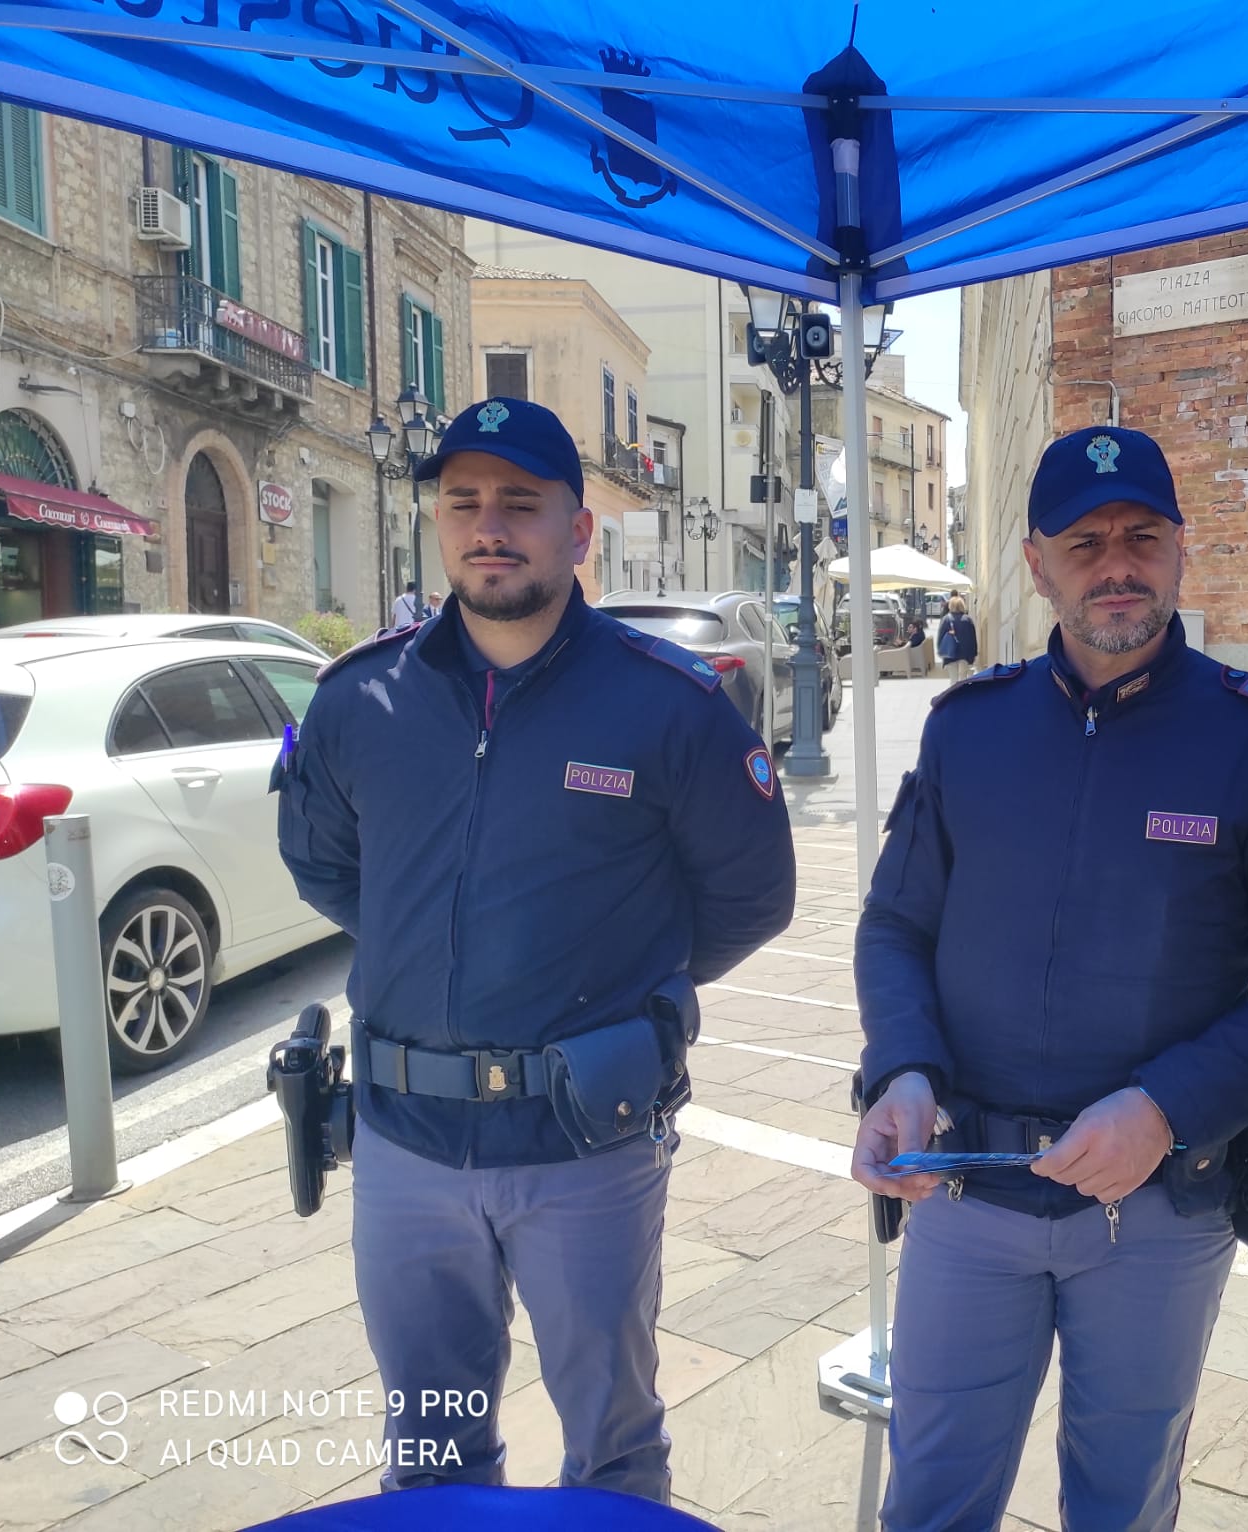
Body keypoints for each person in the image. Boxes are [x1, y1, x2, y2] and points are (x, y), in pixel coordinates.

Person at [853, 423, 1248, 1532]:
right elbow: (896, 924)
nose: (1116, 564)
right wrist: (900, 1067)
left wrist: (1164, 1105)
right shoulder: (968, 731)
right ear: (1037, 563)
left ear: (1181, 549)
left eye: (1141, 535)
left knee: (1122, 1504)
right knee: (932, 1500)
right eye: (1083, 542)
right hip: (965, 1190)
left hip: (1153, 1211)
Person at [276, 396, 796, 1502]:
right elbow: (326, 866)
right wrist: (441, 945)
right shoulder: (360, 700)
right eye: (463, 502)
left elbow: (750, 895)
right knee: (430, 1445)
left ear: (578, 528)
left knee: (612, 1445)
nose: (489, 526)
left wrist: (601, 972)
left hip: (584, 1149)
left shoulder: (670, 707)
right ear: (438, 522)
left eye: (521, 502)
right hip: (405, 1146)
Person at [936, 594, 978, 682]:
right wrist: (974, 655)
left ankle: (954, 694)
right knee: (963, 678)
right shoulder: (968, 620)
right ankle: (962, 694)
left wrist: (941, 650)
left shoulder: (946, 619)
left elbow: (940, 637)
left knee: (953, 679)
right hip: (965, 655)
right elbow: (973, 639)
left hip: (950, 654)